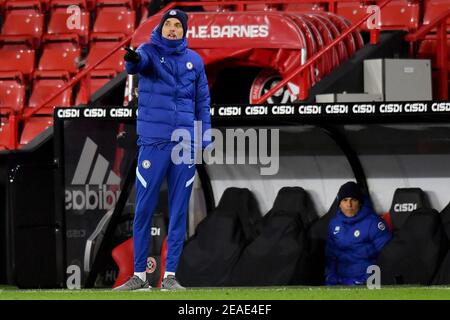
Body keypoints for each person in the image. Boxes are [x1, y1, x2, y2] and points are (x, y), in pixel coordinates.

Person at [114, 9, 211, 291]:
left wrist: (203, 139)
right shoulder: (149, 52)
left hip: (184, 146)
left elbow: (202, 105)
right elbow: (137, 63)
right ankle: (140, 276)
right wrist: (131, 59)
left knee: (179, 211)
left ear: (184, 31)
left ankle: (169, 276)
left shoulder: (196, 62)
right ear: (161, 28)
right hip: (153, 144)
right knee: (143, 210)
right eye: (167, 24)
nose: (171, 29)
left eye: (177, 26)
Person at [325, 181, 392, 285]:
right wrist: (331, 275)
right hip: (340, 279)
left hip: (367, 280)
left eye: (353, 200)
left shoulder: (373, 223)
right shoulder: (334, 224)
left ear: (360, 203)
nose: (349, 204)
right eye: (345, 200)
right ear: (339, 204)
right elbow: (330, 255)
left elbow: (387, 255)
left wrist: (368, 278)